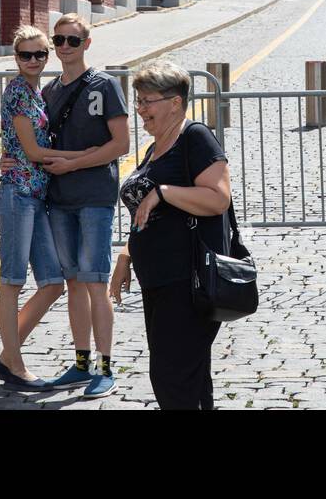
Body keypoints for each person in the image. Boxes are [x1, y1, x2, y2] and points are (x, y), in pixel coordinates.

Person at [112, 60, 232, 409]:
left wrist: (164, 192)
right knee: (186, 378)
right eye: (138, 101)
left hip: (188, 279)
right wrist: (126, 256)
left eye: (147, 101)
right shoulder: (154, 148)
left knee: (171, 377)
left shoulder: (194, 137)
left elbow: (218, 198)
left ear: (175, 102)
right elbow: (144, 213)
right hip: (159, 281)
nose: (140, 109)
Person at [0, 25, 97, 392]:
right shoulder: (19, 92)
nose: (33, 60)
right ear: (15, 58)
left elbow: (23, 147)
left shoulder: (39, 91)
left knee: (52, 283)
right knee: (12, 281)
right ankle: (15, 366)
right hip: (17, 196)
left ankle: (6, 357)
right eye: (25, 55)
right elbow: (34, 153)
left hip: (37, 198)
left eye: (40, 54)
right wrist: (82, 157)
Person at [40, 14, 129, 397]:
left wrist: (74, 162)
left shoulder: (105, 85)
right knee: (74, 282)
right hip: (59, 199)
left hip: (94, 196)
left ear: (86, 44)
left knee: (94, 281)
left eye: (72, 41)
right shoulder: (48, 92)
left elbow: (120, 144)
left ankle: (105, 367)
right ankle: (80, 364)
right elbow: (36, 144)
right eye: (58, 41)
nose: (64, 48)